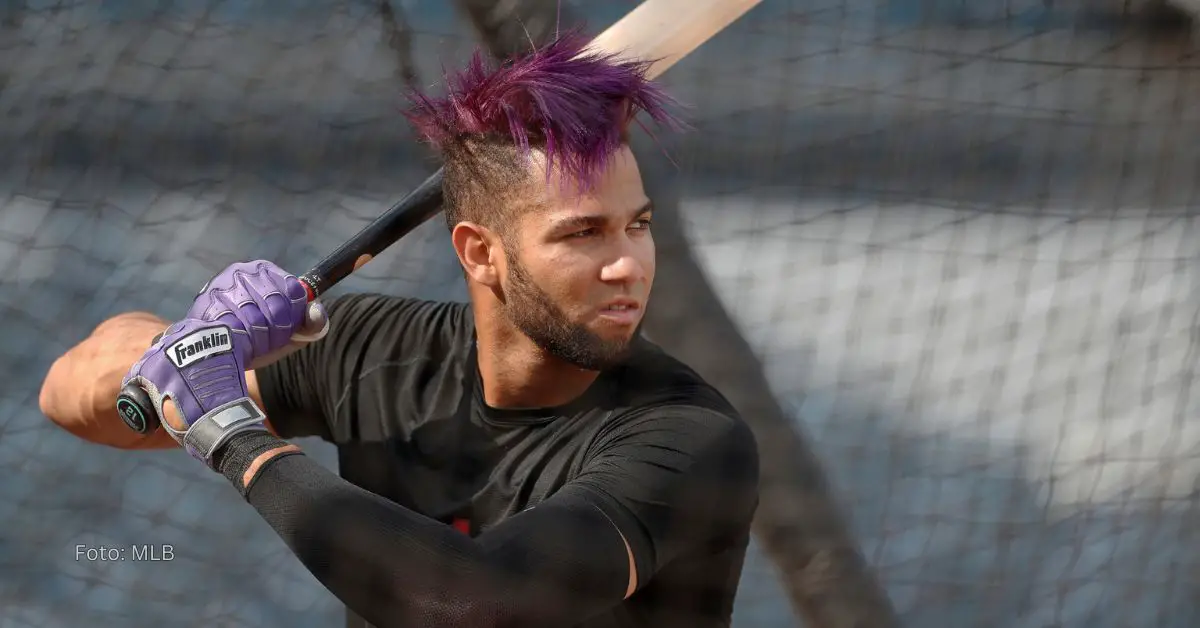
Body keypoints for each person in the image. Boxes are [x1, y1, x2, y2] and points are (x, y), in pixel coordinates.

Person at [39, 33, 760, 628]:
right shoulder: (367, 349)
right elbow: (71, 397)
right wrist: (189, 343)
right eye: (584, 235)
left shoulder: (691, 440)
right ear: (481, 252)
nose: (627, 266)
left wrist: (230, 434)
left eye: (638, 226)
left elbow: (472, 604)